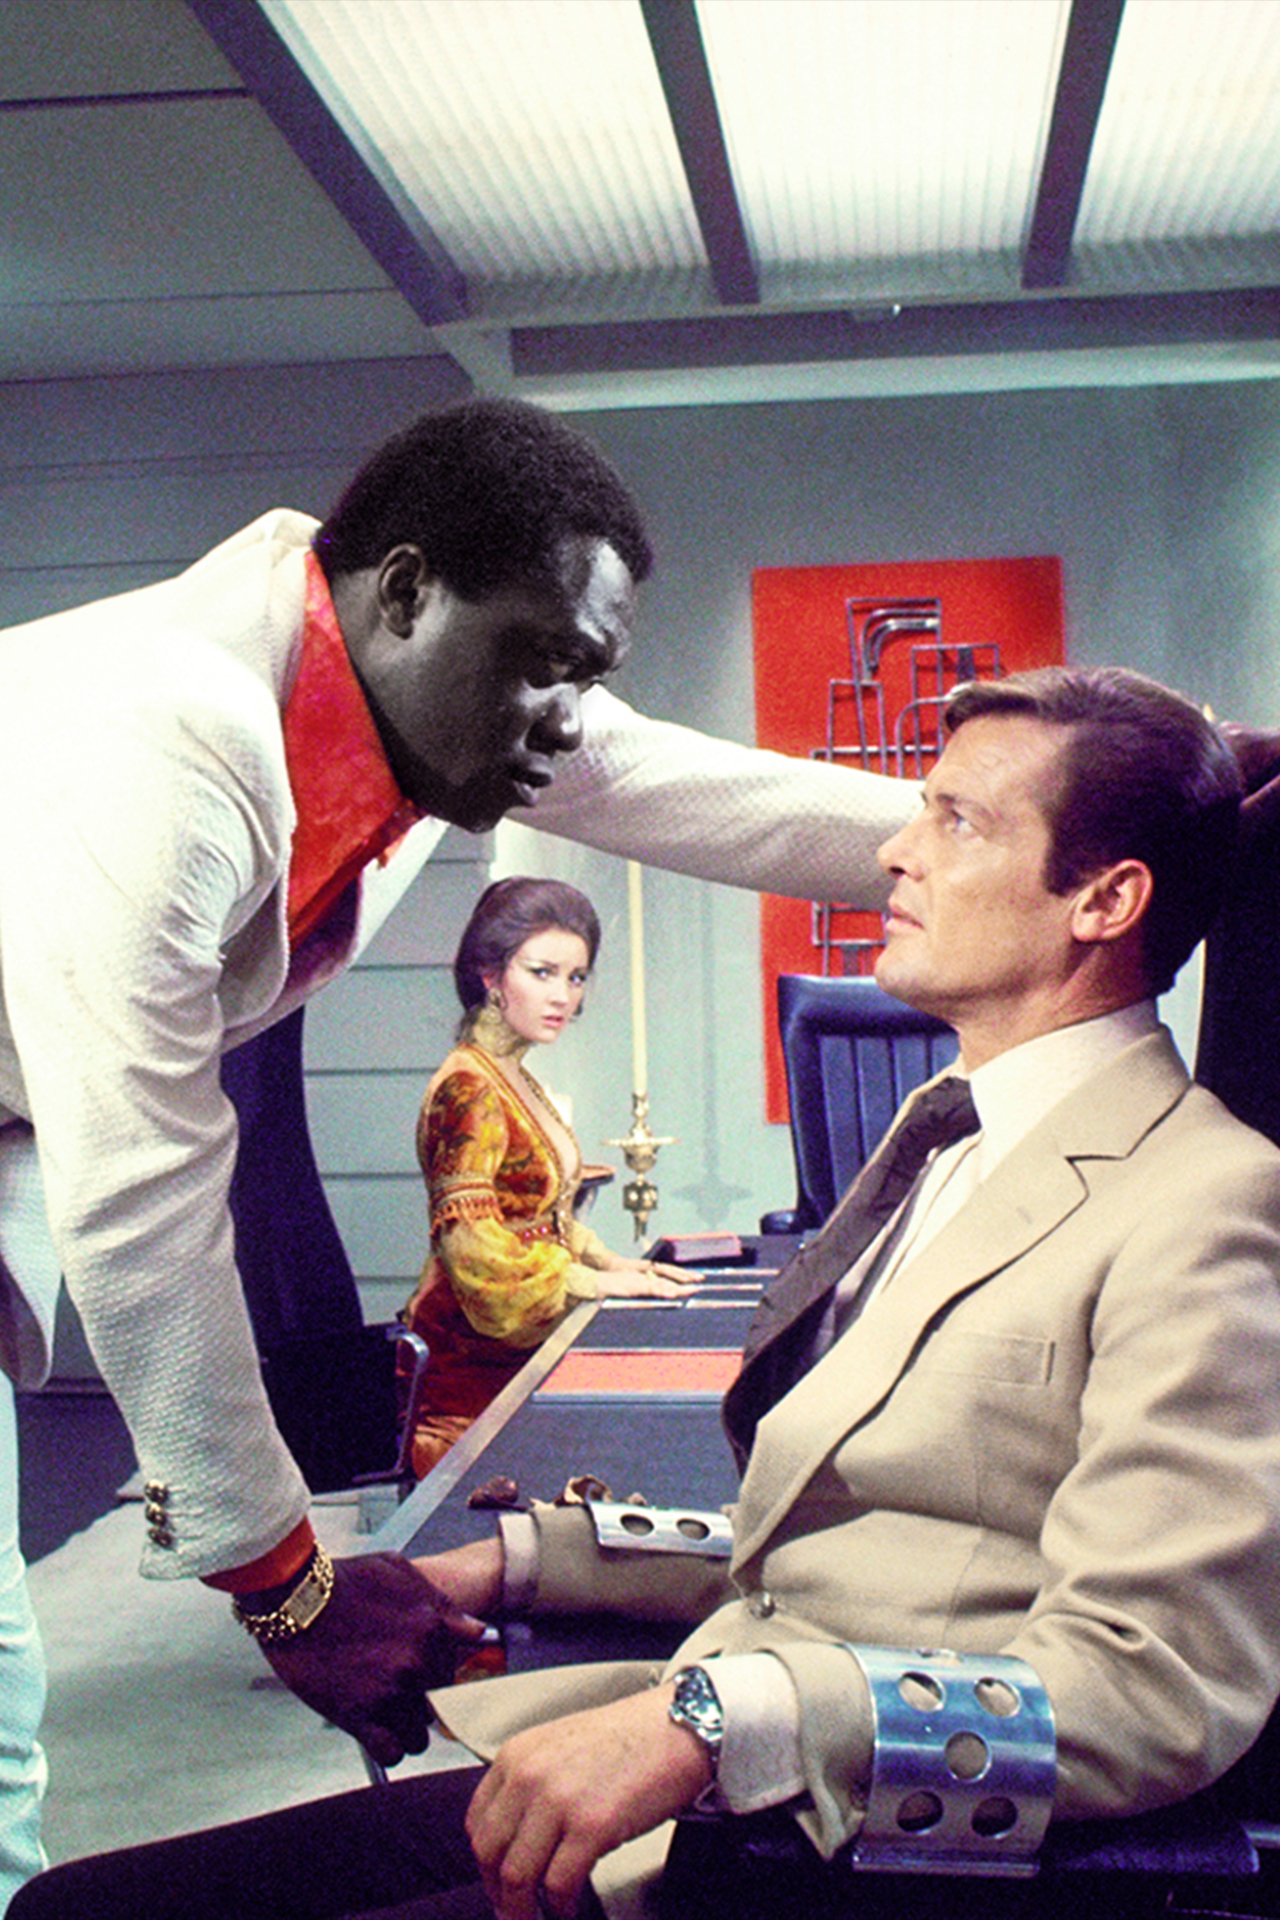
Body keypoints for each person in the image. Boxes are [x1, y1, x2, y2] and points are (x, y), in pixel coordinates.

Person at [17, 664, 1280, 1920]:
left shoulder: (1206, 1202)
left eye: (953, 820)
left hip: (820, 1848)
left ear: (1105, 899)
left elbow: (1155, 1686)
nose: (893, 851)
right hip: (709, 1778)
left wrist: (716, 1721)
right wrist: (521, 1558)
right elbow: (838, 1533)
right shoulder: (948, 1129)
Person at [0, 393, 917, 1905]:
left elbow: (719, 796)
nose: (567, 718)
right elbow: (144, 1186)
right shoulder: (167, 733)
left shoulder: (423, 694)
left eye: (587, 677)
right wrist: (287, 1588)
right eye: (544, 663)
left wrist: (1102, 809)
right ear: (407, 590)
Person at [403, 876, 689, 1476]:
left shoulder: (510, 1073)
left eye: (576, 977)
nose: (563, 996)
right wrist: (599, 1284)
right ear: (489, 975)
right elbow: (475, 1254)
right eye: (542, 973)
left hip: (520, 1356)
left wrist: (616, 1264)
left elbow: (539, 1214)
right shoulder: (467, 1088)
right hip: (473, 1378)